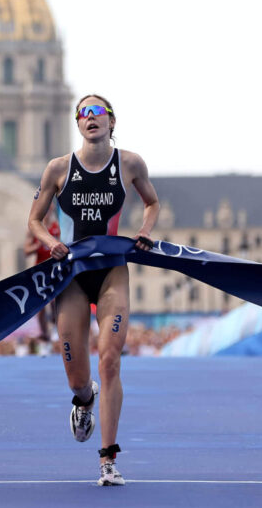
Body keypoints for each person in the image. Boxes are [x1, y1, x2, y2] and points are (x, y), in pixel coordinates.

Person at [27, 93, 159, 487]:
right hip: (71, 274)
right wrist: (49, 242)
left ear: (111, 122)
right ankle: (84, 399)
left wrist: (144, 233)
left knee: (111, 359)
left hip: (112, 272)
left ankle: (108, 459)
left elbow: (152, 203)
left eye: (97, 111)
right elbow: (34, 220)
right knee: (77, 377)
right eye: (83, 113)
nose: (90, 118)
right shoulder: (58, 169)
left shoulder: (130, 164)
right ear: (78, 124)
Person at [24, 208, 60, 345]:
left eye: (49, 210)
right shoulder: (34, 230)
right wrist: (38, 245)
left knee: (55, 300)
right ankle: (44, 334)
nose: (47, 212)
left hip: (54, 268)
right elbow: (26, 250)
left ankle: (56, 326)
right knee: (40, 306)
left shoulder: (57, 228)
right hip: (39, 271)